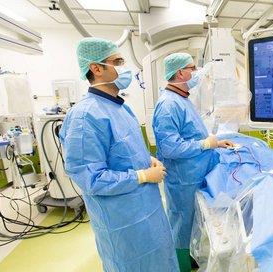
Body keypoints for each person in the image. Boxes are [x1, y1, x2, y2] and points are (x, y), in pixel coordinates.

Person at [60, 37, 178, 272]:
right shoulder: (85, 117)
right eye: (118, 61)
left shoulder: (120, 107)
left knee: (160, 260)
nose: (125, 68)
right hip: (122, 218)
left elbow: (126, 151)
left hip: (147, 209)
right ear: (96, 68)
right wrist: (142, 176)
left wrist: (148, 160)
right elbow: (90, 178)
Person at [152, 52, 234, 271]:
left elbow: (192, 135)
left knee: (190, 223)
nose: (196, 73)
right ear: (180, 72)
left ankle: (190, 257)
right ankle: (180, 266)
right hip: (183, 179)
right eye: (192, 68)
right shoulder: (169, 105)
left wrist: (215, 143)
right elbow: (171, 148)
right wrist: (206, 144)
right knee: (181, 224)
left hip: (193, 174)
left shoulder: (181, 100)